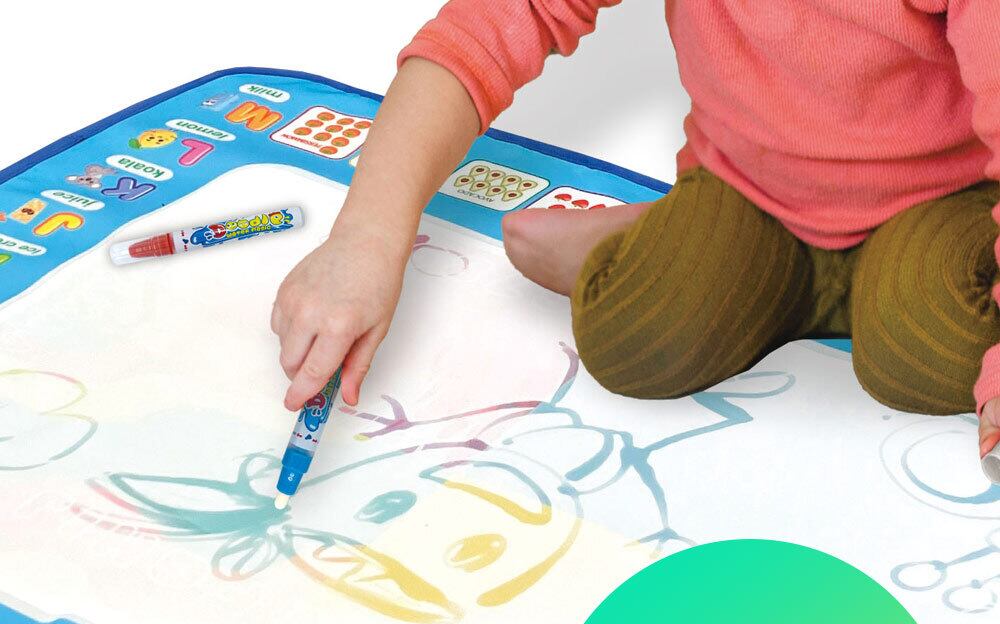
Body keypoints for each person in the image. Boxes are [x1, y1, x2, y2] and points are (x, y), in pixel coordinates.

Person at [270, 1, 1000, 466]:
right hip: (754, 190)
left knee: (926, 353)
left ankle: (665, 236)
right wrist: (366, 238)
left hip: (943, 197)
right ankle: (679, 240)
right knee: (639, 342)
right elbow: (492, 25)